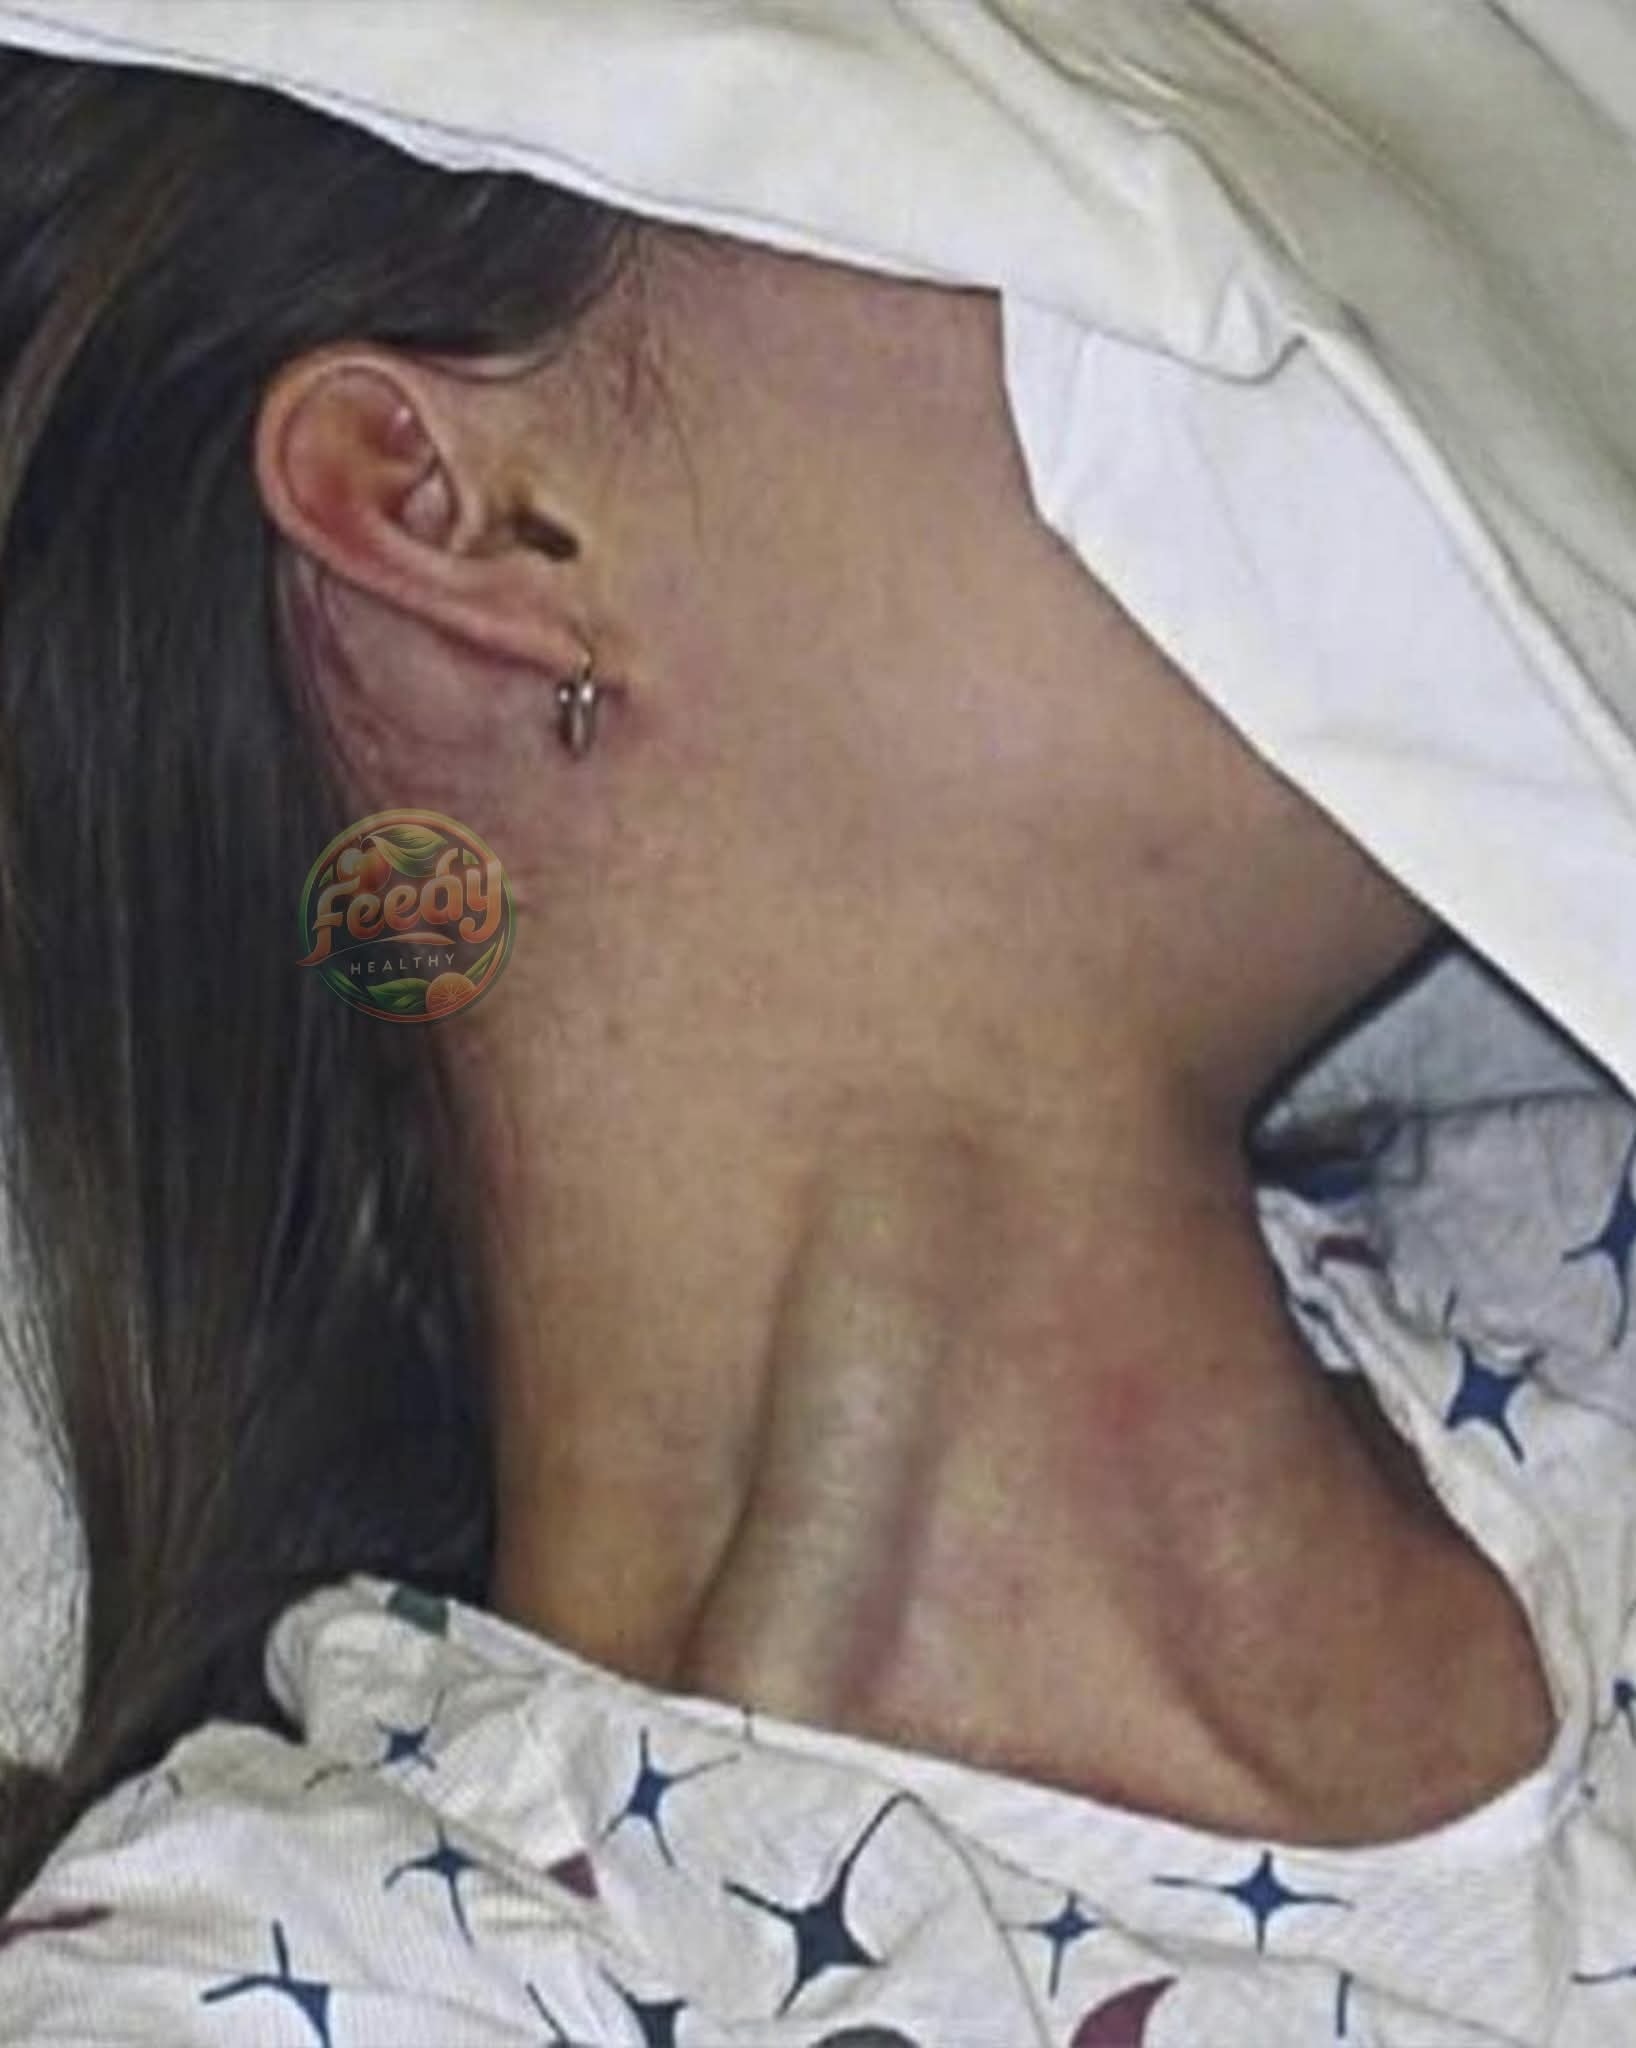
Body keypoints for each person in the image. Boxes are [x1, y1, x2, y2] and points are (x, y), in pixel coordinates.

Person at [0, 41, 1630, 2048]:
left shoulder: (1580, 1264)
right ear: (460, 511)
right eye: (1031, 76)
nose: (1254, 212)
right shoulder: (297, 1986)